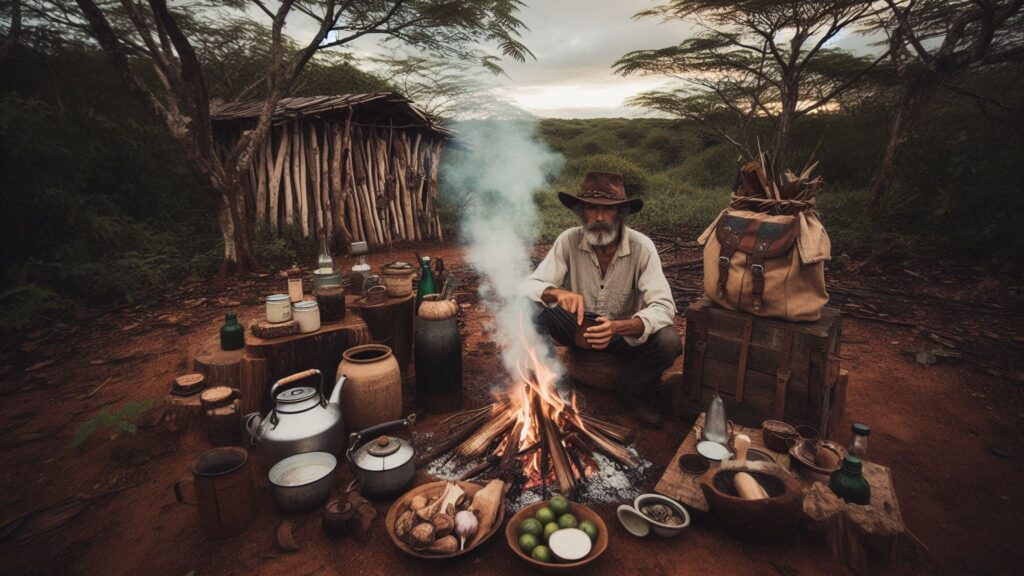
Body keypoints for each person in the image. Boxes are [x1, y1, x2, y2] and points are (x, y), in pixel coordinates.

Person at [520, 171, 681, 428]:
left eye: (607, 210)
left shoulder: (642, 248)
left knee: (668, 341)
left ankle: (634, 394)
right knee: (527, 307)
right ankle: (554, 382)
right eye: (591, 209)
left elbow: (663, 307)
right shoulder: (568, 240)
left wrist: (619, 327)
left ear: (621, 213)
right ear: (580, 212)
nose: (598, 218)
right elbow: (529, 286)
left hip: (622, 335)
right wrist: (557, 293)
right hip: (577, 327)